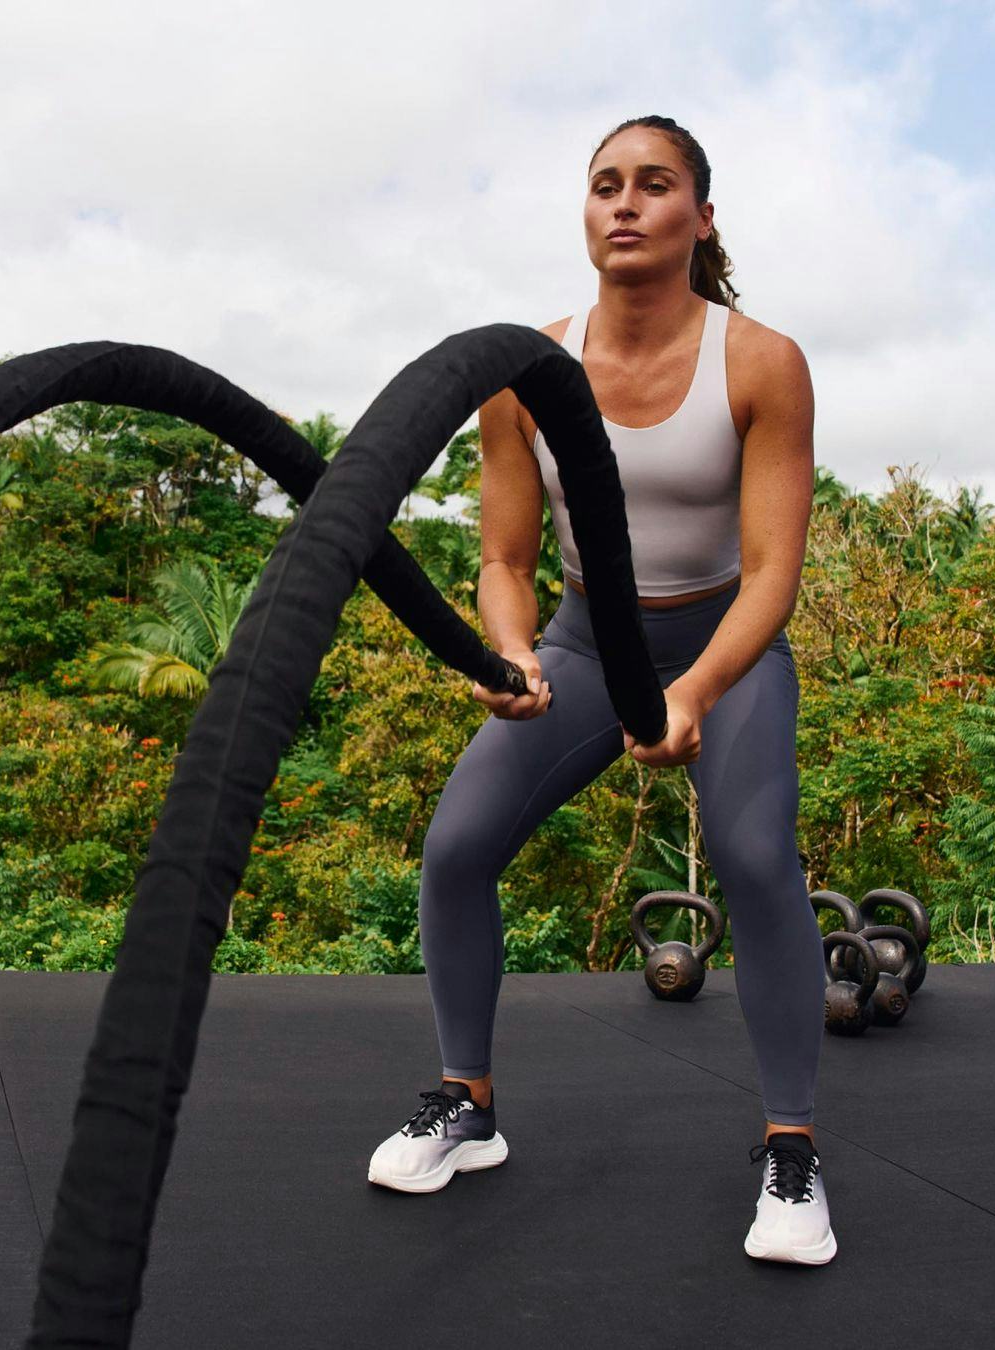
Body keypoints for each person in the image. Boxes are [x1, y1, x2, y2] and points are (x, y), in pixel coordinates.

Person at [368, 115, 835, 1266]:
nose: (625, 203)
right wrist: (511, 655)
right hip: (583, 644)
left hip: (724, 647)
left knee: (758, 860)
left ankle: (792, 1151)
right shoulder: (527, 370)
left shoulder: (762, 361)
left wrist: (697, 691)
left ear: (701, 217)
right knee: (457, 847)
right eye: (605, 185)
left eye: (654, 184)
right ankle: (468, 1103)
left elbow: (773, 574)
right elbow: (505, 560)